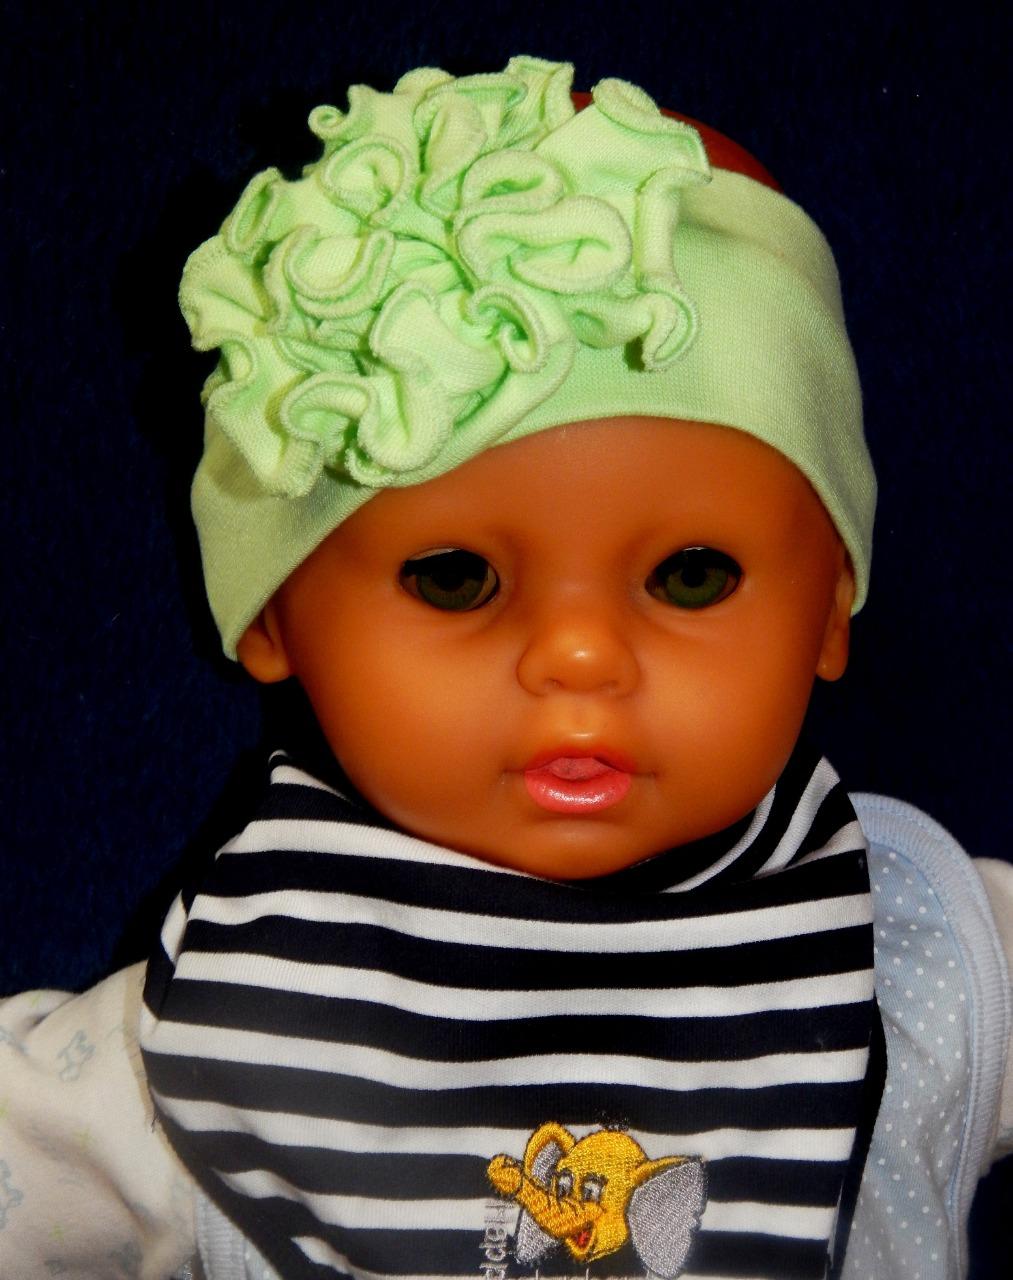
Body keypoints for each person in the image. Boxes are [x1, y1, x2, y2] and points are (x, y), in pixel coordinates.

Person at [0, 57, 1009, 1280]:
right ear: (273, 613)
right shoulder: (216, 1026)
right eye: (453, 577)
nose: (578, 655)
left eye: (691, 574)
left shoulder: (917, 946)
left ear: (830, 606)